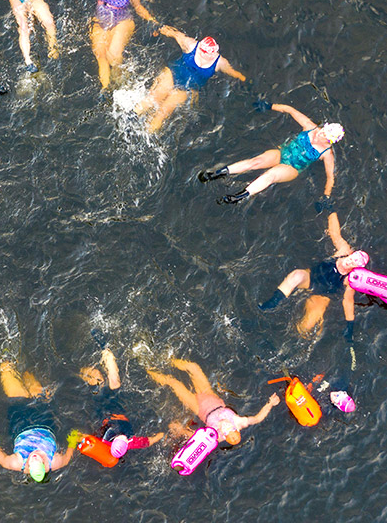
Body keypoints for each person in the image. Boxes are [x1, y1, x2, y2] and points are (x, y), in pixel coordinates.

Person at [200, 102, 343, 204]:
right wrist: (268, 106)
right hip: (282, 152)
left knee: (270, 175)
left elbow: (330, 177)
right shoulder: (310, 127)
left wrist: (326, 196)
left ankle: (239, 196)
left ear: (330, 141)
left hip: (292, 168)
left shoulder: (326, 154)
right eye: (322, 130)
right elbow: (290, 109)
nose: (320, 134)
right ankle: (218, 173)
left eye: (324, 135)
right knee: (255, 162)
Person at [257, 210, 370, 338]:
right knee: (296, 275)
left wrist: (350, 325)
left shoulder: (351, 279)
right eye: (350, 259)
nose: (348, 262)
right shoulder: (343, 250)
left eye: (352, 264)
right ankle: (273, 303)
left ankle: (279, 334)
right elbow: (335, 233)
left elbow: (348, 301)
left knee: (304, 329)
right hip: (311, 277)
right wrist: (330, 210)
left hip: (321, 294)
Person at [49, 0, 157, 89]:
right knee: (100, 55)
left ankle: (119, 81)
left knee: (114, 55)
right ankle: (105, 88)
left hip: (122, 22)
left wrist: (154, 22)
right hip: (100, 22)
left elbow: (139, 8)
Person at [134, 26, 246, 133]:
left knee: (163, 112)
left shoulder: (220, 63)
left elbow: (233, 72)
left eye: (207, 53)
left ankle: (145, 134)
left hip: (187, 88)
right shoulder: (190, 45)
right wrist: (158, 28)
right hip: (172, 74)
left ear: (215, 52)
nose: (203, 55)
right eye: (202, 51)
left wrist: (244, 79)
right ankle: (130, 115)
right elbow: (174, 33)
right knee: (154, 98)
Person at [146, 358, 280, 446]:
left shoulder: (216, 438)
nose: (233, 439)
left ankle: (147, 369)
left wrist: (180, 430)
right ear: (238, 433)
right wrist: (270, 404)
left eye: (232, 441)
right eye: (236, 438)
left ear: (227, 440)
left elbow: (196, 437)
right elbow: (257, 418)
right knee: (193, 367)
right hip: (209, 395)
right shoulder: (240, 422)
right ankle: (166, 359)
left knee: (173, 383)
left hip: (198, 406)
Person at [0, 361, 76, 482]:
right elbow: (67, 458)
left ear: (29, 467)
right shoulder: (54, 462)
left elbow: (4, 461)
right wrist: (72, 441)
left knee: (6, 368)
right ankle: (23, 359)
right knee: (30, 377)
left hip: (20, 419)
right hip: (44, 419)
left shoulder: (18, 463)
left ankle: (6, 353)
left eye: (32, 459)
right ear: (44, 465)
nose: (35, 454)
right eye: (40, 458)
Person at [78, 346, 164, 460]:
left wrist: (74, 438)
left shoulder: (104, 440)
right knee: (114, 383)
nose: (123, 436)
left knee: (100, 382)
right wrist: (163, 434)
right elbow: (150, 441)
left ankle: (81, 371)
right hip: (116, 405)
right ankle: (106, 350)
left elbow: (83, 437)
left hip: (103, 408)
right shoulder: (130, 442)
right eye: (124, 438)